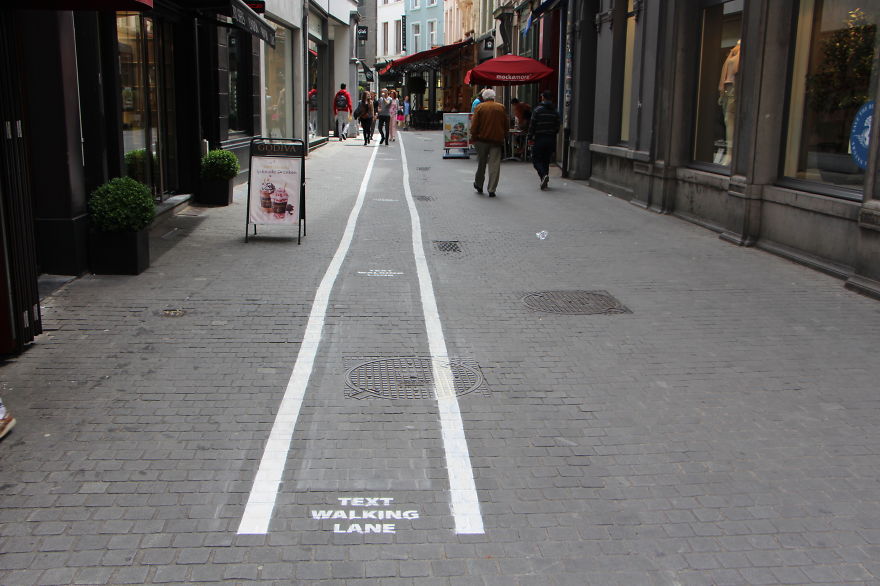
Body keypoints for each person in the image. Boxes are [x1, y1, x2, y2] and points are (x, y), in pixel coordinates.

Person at [470, 88, 507, 197]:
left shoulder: (480, 107)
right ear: (493, 97)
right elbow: (506, 123)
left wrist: (473, 136)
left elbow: (474, 124)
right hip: (496, 140)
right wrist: (504, 135)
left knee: (481, 163)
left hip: (482, 140)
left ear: (484, 97)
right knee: (494, 164)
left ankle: (479, 184)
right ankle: (492, 189)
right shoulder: (501, 107)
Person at [528, 89, 562, 190]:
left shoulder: (537, 110)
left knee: (536, 160)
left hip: (540, 138)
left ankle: (543, 176)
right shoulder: (555, 111)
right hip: (550, 139)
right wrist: (553, 133)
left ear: (543, 97)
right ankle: (545, 181)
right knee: (546, 160)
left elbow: (532, 125)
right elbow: (557, 126)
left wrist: (530, 137)